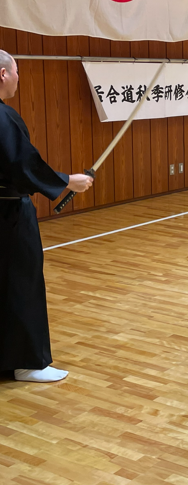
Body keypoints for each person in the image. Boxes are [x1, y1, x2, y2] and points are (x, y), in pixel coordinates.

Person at [0, 50, 94, 383]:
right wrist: (67, 180)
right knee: (21, 281)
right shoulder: (3, 117)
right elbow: (22, 165)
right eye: (16, 71)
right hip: (8, 215)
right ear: (2, 74)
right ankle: (28, 363)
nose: (18, 78)